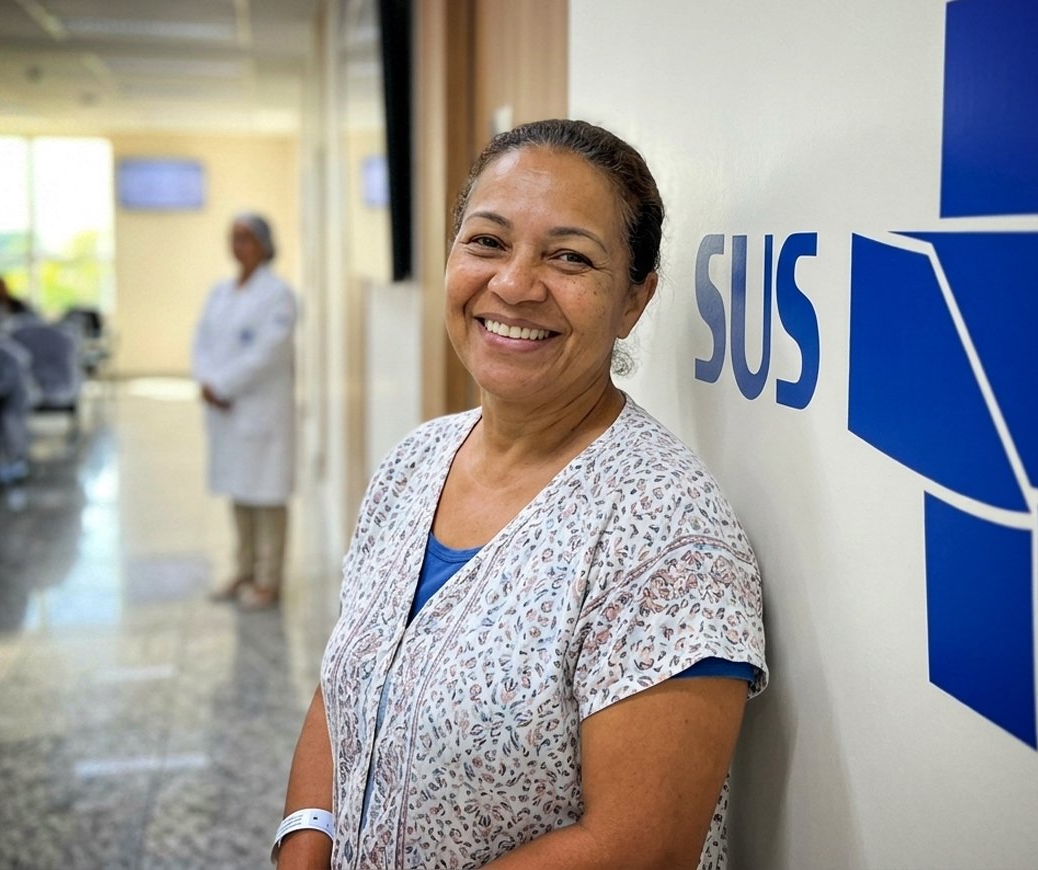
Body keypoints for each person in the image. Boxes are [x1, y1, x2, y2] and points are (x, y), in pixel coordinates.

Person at [276, 120, 767, 869]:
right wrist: (304, 846)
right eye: (487, 242)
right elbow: (347, 682)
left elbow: (640, 848)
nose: (513, 284)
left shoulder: (667, 535)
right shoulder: (415, 462)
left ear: (635, 300)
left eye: (569, 257)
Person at [193, 214, 298, 610]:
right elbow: (200, 340)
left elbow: (267, 354)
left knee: (267, 496)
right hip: (226, 411)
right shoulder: (220, 292)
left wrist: (222, 385)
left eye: (246, 238)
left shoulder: (279, 295)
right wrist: (205, 380)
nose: (239, 246)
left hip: (259, 410)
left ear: (265, 245)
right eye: (233, 238)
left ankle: (269, 579)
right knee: (239, 492)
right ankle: (244, 570)